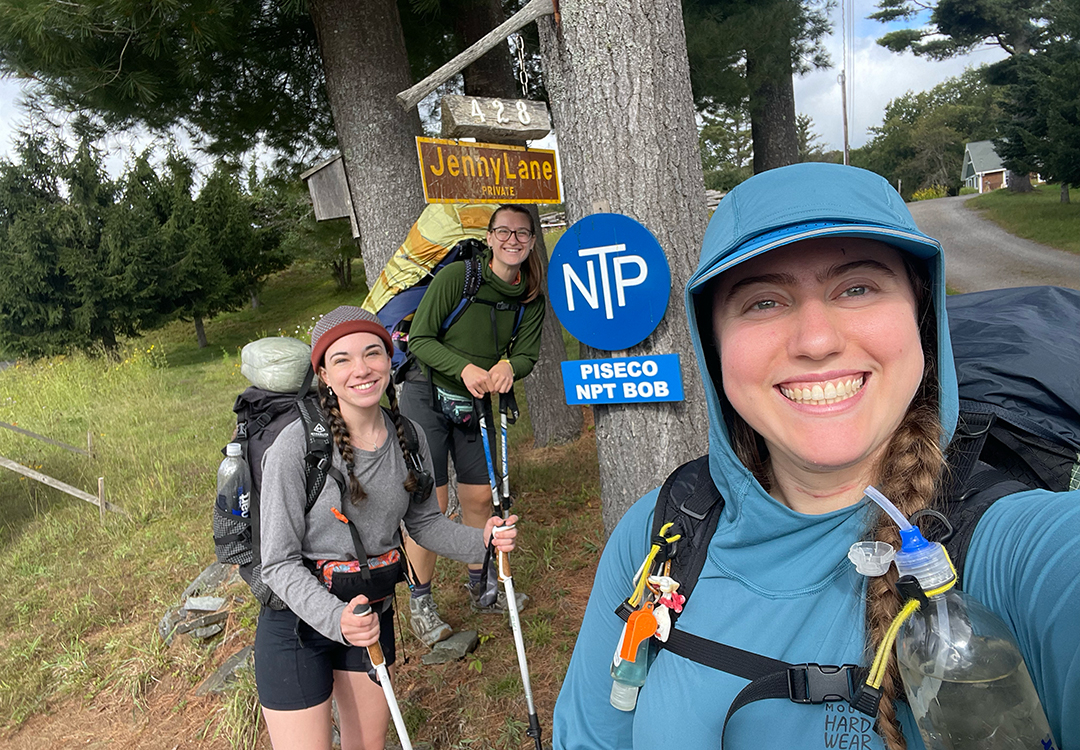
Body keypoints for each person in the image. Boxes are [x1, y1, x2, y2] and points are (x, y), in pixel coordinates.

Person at [552, 163, 1080, 749]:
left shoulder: (1012, 554)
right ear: (714, 348)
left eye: (857, 288)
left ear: (921, 319)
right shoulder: (660, 534)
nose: (816, 340)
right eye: (762, 301)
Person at [255, 305, 519, 750]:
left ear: (389, 360)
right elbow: (277, 564)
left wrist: (485, 539)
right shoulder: (296, 446)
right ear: (323, 372)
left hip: (370, 610)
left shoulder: (409, 436)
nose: (362, 369)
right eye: (342, 359)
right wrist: (334, 619)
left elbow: (425, 524)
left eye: (373, 353)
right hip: (297, 622)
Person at [399, 204, 546, 647]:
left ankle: (482, 586)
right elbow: (420, 339)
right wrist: (463, 367)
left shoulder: (530, 294)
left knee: (481, 495)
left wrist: (508, 366)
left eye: (522, 233)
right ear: (489, 236)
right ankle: (420, 602)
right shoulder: (458, 278)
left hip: (479, 400)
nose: (512, 240)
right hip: (427, 394)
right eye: (504, 231)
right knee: (431, 504)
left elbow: (527, 354)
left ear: (533, 241)